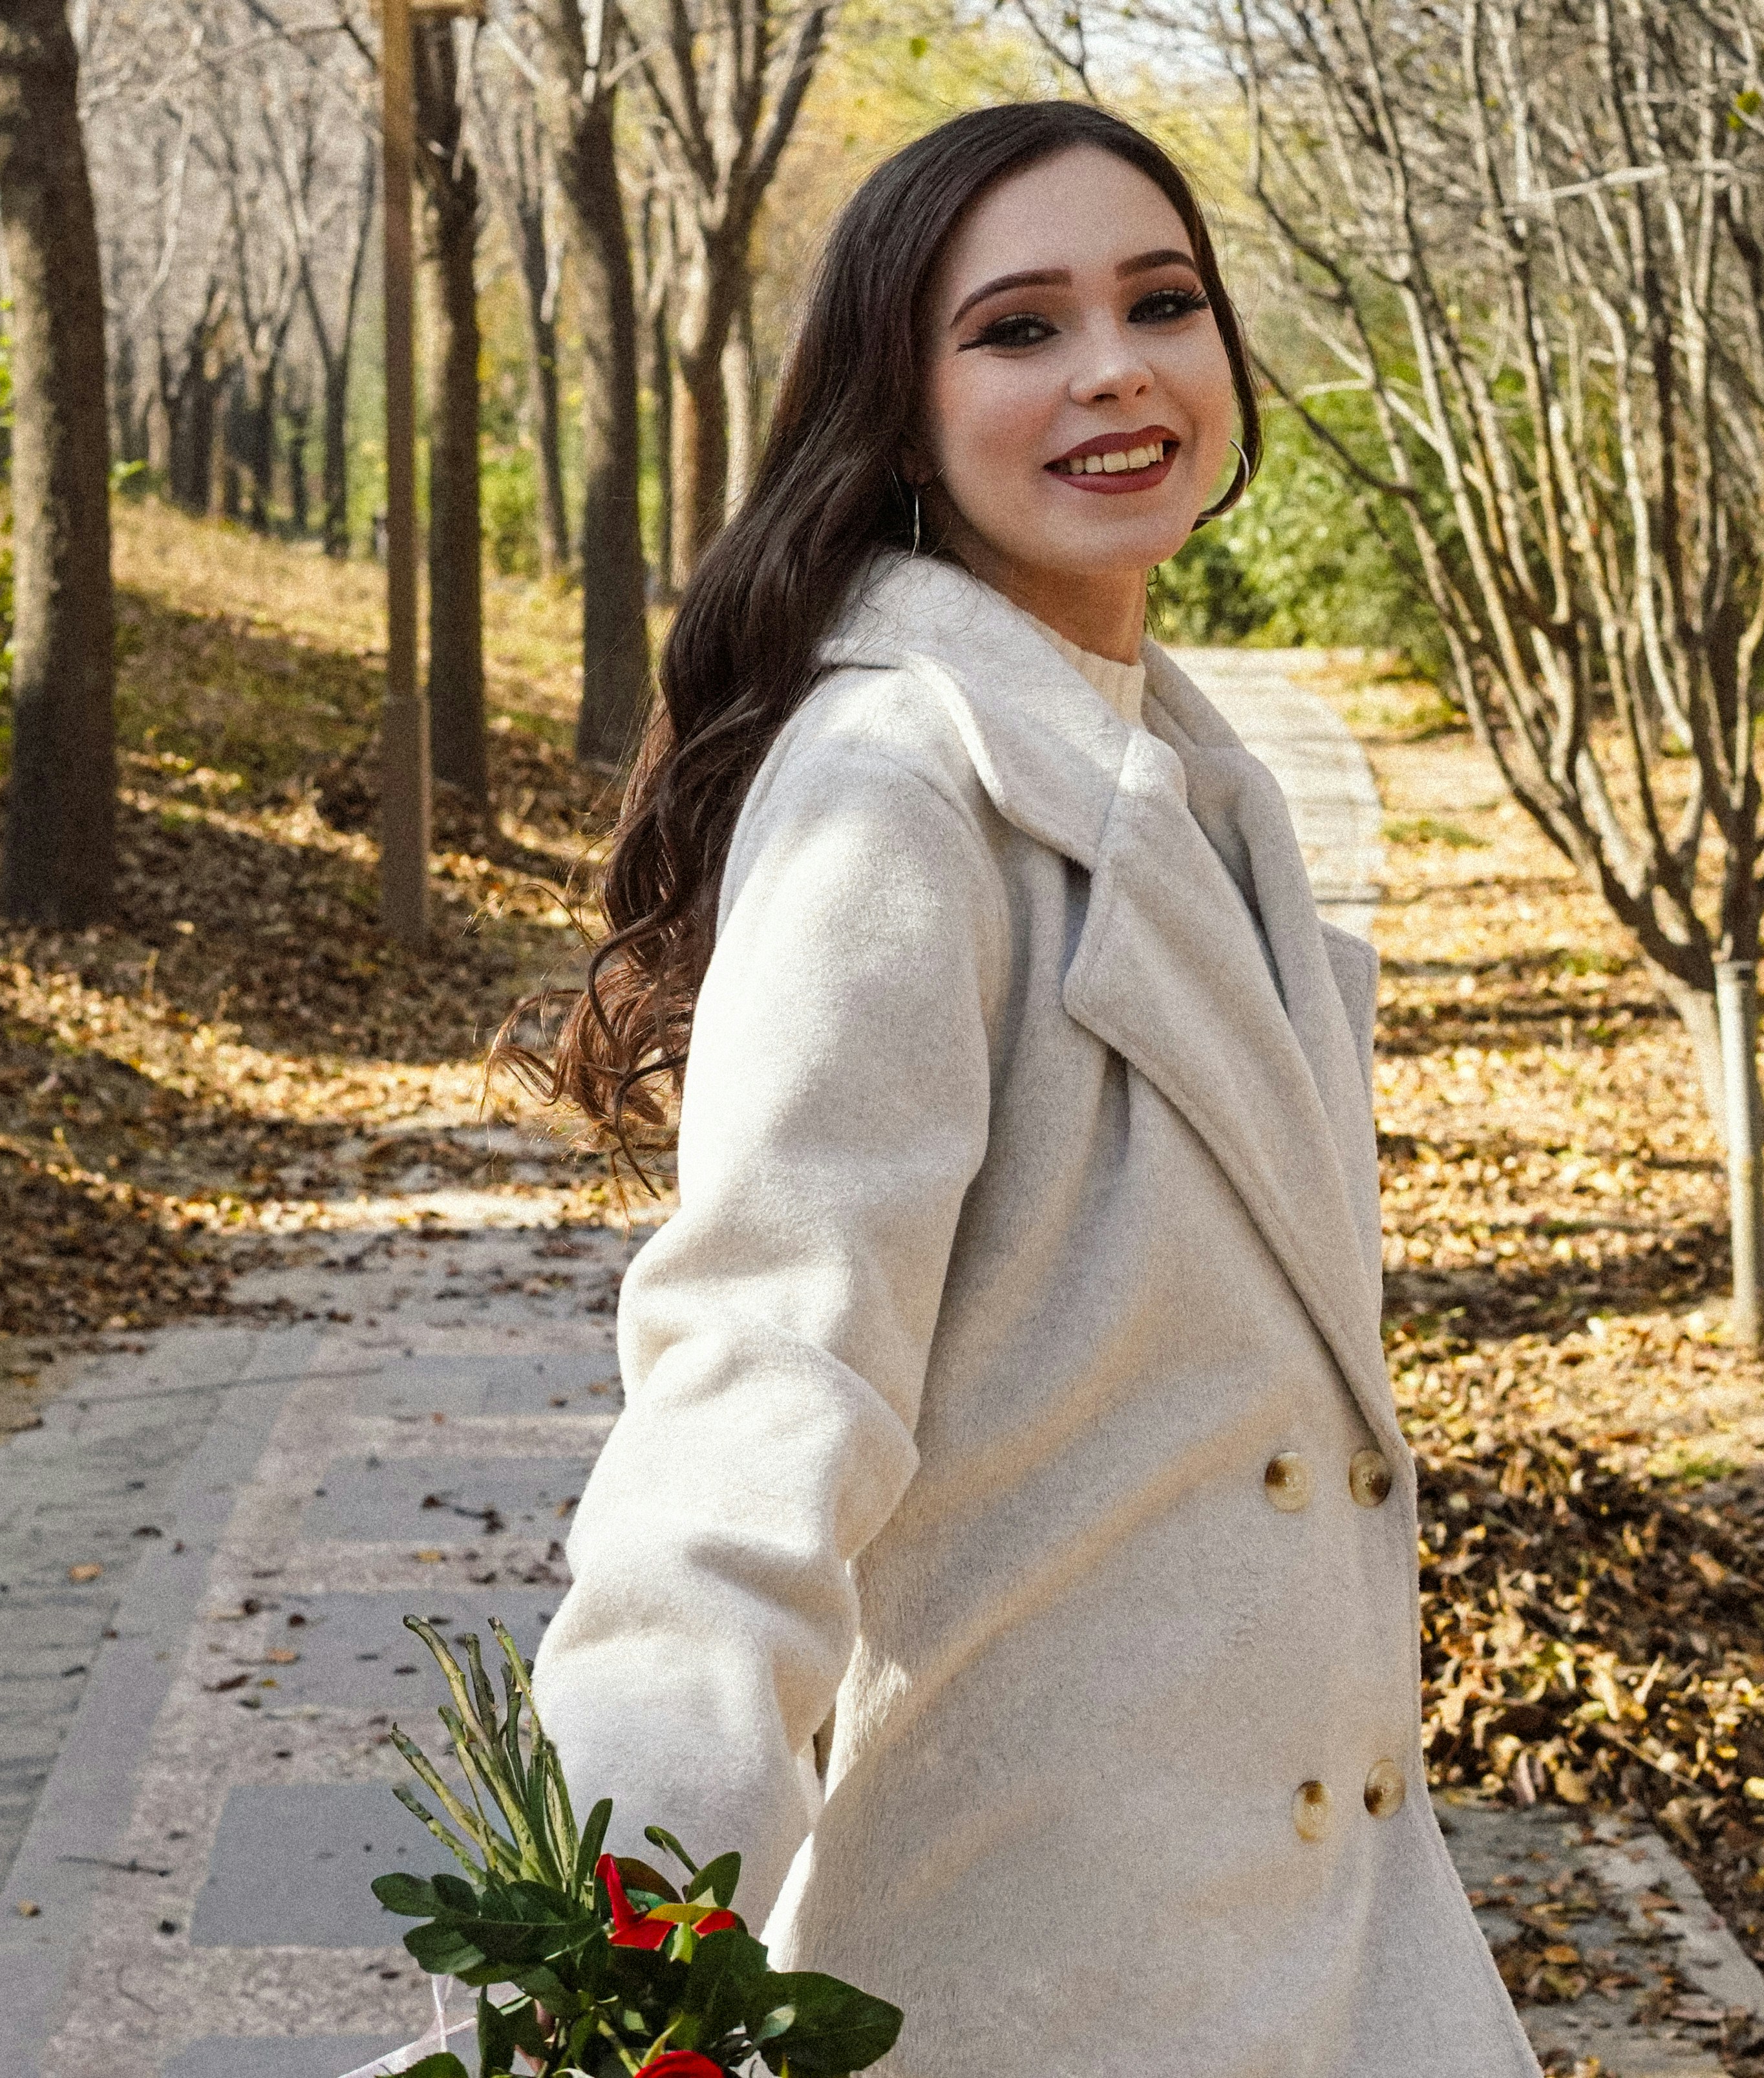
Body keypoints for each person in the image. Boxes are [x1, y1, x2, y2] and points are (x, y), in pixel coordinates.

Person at [518, 102, 1537, 2075]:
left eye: (1163, 302)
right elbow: (759, 1383)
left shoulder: (1198, 780)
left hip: (1302, 1933)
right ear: (900, 415)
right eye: (1017, 328)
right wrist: (610, 1964)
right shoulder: (898, 792)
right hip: (1047, 1966)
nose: (1114, 370)